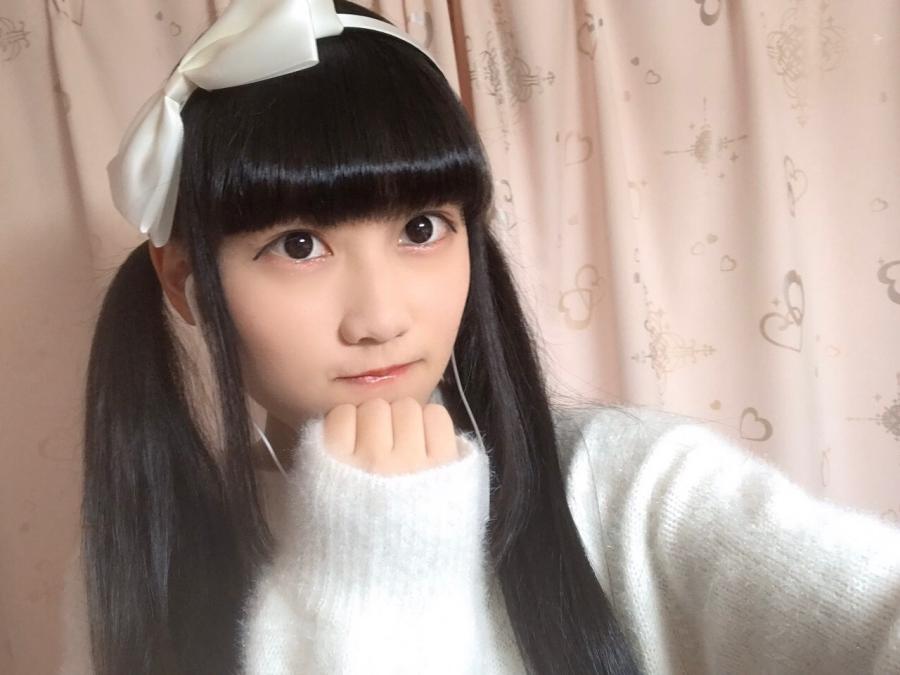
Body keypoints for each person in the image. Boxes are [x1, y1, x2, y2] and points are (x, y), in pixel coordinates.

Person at [58, 1, 900, 673]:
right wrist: (372, 568)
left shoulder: (625, 483)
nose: (380, 317)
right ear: (185, 280)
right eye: (300, 244)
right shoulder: (139, 558)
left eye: (422, 228)